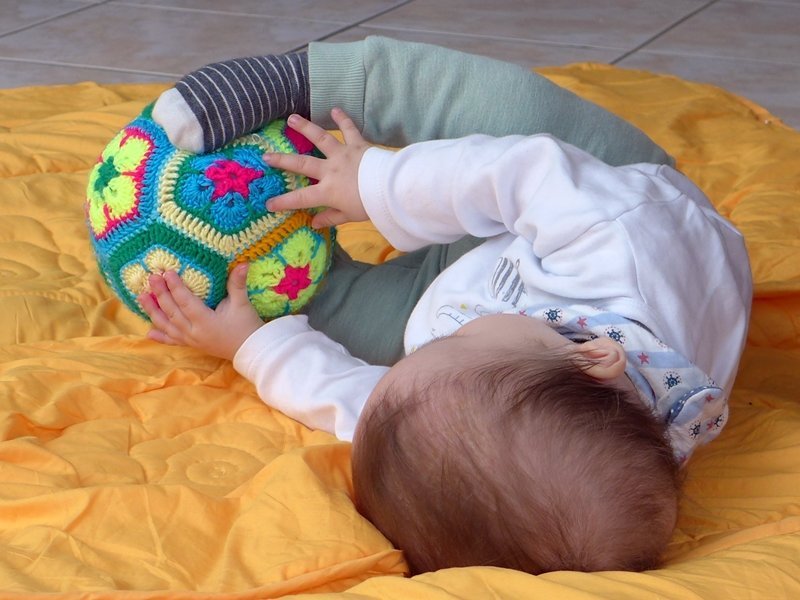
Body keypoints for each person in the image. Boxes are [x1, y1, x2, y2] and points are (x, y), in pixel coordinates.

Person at [140, 38, 753, 575]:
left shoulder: (479, 436)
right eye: (455, 341)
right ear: (592, 356)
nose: (452, 331)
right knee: (514, 119)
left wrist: (253, 345)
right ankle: (327, 78)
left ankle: (281, 294)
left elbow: (365, 403)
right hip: (584, 188)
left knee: (334, 326)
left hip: (484, 285)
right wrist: (376, 184)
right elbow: (521, 173)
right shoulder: (619, 245)